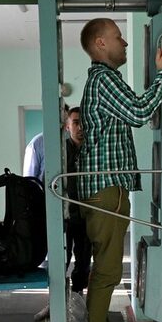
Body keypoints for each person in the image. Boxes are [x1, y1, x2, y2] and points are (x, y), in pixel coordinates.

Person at [75, 18, 162, 322]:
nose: (126, 43)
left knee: (107, 268)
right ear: (101, 44)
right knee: (106, 270)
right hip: (105, 189)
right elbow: (138, 112)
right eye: (119, 37)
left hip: (109, 188)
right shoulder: (103, 80)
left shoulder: (106, 80)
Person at [64, 106, 92, 294]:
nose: (80, 127)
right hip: (64, 213)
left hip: (86, 213)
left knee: (83, 258)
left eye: (83, 123)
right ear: (67, 126)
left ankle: (78, 295)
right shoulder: (60, 152)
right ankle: (57, 300)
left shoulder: (93, 152)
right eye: (75, 123)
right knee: (61, 258)